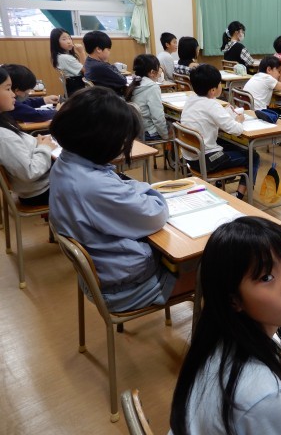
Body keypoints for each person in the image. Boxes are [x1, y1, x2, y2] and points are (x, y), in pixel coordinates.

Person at [170, 217, 281, 435]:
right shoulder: (265, 398)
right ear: (233, 300)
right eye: (266, 277)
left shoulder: (212, 339)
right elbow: (265, 404)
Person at [49, 87, 193, 311]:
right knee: (214, 270)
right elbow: (155, 214)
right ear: (100, 140)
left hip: (104, 271)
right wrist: (149, 191)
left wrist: (135, 188)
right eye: (121, 140)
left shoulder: (67, 162)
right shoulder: (94, 186)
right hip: (128, 287)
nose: (123, 146)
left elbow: (122, 187)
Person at [180, 64, 259, 200]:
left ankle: (221, 183)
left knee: (234, 146)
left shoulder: (191, 100)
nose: (221, 86)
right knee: (253, 156)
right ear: (213, 90)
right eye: (219, 84)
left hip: (191, 157)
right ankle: (239, 196)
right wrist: (239, 120)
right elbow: (235, 129)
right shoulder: (212, 105)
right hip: (206, 160)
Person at [0, 67, 54, 206]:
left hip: (41, 185)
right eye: (8, 89)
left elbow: (18, 148)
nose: (13, 94)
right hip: (41, 191)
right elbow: (30, 172)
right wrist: (44, 148)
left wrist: (37, 142)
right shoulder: (3, 136)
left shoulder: (4, 121)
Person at [125, 54, 169, 140]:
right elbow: (158, 118)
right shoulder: (153, 87)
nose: (160, 70)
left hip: (136, 130)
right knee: (174, 126)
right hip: (149, 132)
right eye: (159, 68)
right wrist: (165, 137)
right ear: (152, 72)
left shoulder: (134, 84)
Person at [82, 30, 127, 95]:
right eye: (108, 50)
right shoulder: (100, 67)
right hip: (110, 98)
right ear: (98, 49)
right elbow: (123, 81)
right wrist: (111, 65)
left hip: (98, 97)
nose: (109, 52)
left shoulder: (88, 61)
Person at [50, 27, 86, 95]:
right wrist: (82, 52)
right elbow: (86, 71)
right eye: (64, 39)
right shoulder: (65, 57)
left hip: (72, 88)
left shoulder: (60, 56)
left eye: (69, 38)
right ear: (56, 42)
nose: (69, 41)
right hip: (77, 90)